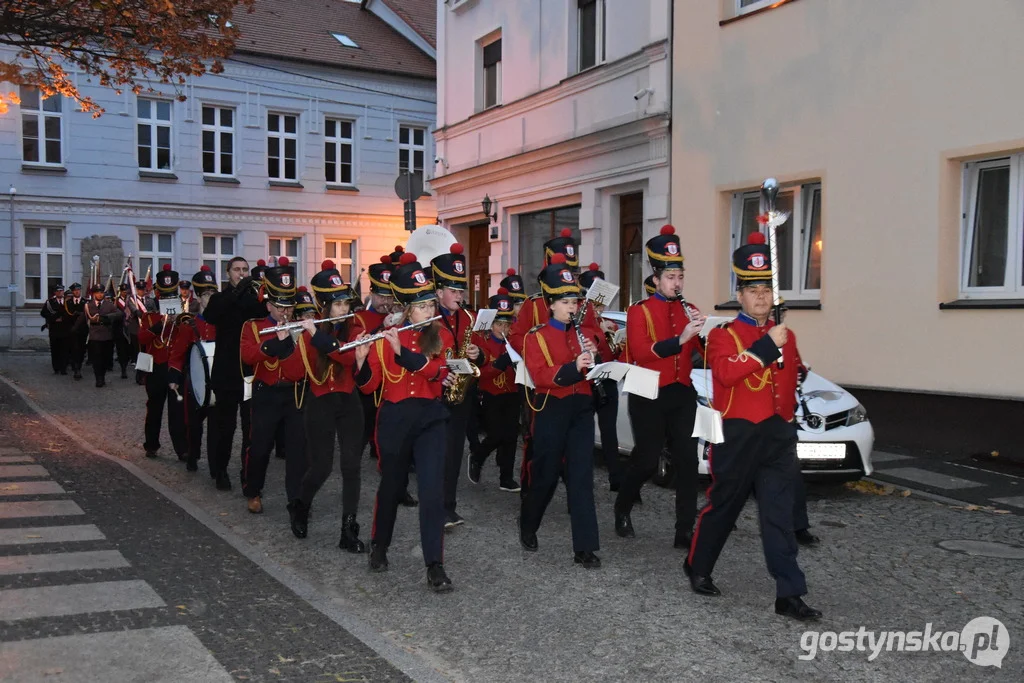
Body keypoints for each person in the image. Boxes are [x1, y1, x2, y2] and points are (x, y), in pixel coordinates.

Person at [686, 232, 821, 621]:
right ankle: (698, 566)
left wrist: (791, 417)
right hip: (739, 432)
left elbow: (790, 378)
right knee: (724, 506)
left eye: (766, 290)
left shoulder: (786, 335)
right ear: (739, 295)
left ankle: (789, 593)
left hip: (777, 434)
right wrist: (765, 347)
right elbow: (726, 375)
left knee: (778, 514)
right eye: (752, 290)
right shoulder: (722, 335)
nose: (760, 297)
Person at [356, 251, 455, 592]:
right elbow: (370, 386)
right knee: (391, 486)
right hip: (395, 419)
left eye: (432, 305)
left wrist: (403, 353)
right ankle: (379, 545)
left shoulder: (440, 336)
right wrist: (360, 361)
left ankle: (435, 565)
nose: (431, 312)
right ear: (408, 309)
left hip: (431, 418)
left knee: (431, 493)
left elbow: (437, 371)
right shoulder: (386, 338)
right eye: (424, 307)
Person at [614, 225, 706, 549]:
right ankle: (622, 506)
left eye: (680, 276)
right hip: (648, 392)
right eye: (670, 277)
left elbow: (704, 354)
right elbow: (641, 351)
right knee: (647, 460)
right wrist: (680, 339)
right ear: (655, 278)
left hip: (681, 391)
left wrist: (705, 333)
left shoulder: (687, 308)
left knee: (688, 460)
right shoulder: (638, 311)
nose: (676, 283)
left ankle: (685, 530)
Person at [519, 254, 601, 568]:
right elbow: (541, 375)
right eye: (566, 301)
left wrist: (596, 354)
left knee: (581, 477)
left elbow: (602, 359)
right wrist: (573, 366)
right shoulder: (535, 336)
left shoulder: (585, 333)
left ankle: (585, 547)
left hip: (581, 407)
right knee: (546, 475)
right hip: (553, 408)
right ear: (551, 304)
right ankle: (528, 523)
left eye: (576, 302)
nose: (573, 307)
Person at [289, 261, 365, 550]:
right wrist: (290, 340)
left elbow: (346, 358)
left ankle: (348, 529)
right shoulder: (308, 334)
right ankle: (301, 504)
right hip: (321, 401)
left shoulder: (355, 327)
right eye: (338, 304)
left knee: (351, 466)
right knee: (321, 466)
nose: (344, 309)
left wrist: (317, 336)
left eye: (346, 302)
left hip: (348, 400)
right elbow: (304, 373)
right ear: (324, 306)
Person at [238, 257, 306, 515]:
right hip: (266, 393)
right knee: (260, 446)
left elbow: (304, 364)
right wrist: (274, 344)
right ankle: (253, 491)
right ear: (268, 305)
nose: (284, 312)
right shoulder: (253, 327)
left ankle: (296, 499)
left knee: (297, 449)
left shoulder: (299, 327)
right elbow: (248, 356)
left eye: (288, 307)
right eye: (279, 307)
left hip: (293, 393)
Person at [353, 255, 418, 508]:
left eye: (390, 295)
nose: (386, 301)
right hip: (367, 387)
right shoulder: (360, 318)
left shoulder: (401, 316)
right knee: (359, 437)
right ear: (372, 292)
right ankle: (352, 479)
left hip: (392, 387)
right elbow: (356, 345)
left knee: (396, 444)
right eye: (381, 295)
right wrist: (380, 327)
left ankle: (398, 487)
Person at [203, 256, 267, 491]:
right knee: (225, 426)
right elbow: (212, 315)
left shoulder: (252, 299)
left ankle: (246, 473)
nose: (241, 273)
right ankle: (220, 469)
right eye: (236, 270)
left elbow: (263, 315)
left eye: (244, 270)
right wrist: (237, 291)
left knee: (250, 427)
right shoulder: (220, 298)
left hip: (249, 370)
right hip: (226, 371)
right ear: (228, 272)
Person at [431, 243, 481, 529]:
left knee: (453, 452)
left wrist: (477, 354)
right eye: (454, 291)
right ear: (439, 292)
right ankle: (436, 507)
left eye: (461, 291)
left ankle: (448, 507)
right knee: (437, 453)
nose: (460, 296)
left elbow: (479, 354)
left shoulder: (467, 317)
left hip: (460, 393)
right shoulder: (430, 317)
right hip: (435, 392)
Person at [467, 288, 520, 492]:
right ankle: (477, 457)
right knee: (497, 433)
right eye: (499, 324)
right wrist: (500, 363)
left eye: (507, 324)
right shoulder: (483, 342)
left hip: (513, 391)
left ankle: (506, 478)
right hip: (491, 393)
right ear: (491, 324)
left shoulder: (514, 341)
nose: (503, 329)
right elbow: (481, 373)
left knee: (511, 436)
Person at [578, 262, 624, 492]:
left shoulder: (607, 323)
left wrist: (616, 341)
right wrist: (599, 333)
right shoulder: (581, 322)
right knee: (584, 433)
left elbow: (613, 354)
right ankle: (581, 477)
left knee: (609, 431)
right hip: (587, 381)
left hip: (607, 380)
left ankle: (616, 477)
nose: (599, 306)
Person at [168, 266, 218, 472]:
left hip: (217, 382)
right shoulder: (189, 326)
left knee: (217, 428)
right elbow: (177, 354)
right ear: (198, 297)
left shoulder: (223, 325)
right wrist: (173, 376)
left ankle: (217, 466)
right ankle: (192, 455)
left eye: (213, 293)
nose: (210, 298)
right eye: (206, 294)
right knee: (194, 425)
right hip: (195, 383)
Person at [137, 265, 190, 459]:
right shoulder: (150, 317)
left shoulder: (182, 316)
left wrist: (179, 322)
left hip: (175, 368)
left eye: (171, 294)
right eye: (165, 294)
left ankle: (182, 449)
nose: (168, 298)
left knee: (177, 410)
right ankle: (151, 444)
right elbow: (142, 339)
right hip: (156, 368)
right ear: (158, 294)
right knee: (154, 408)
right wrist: (162, 323)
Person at [80, 284, 119, 387]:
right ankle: (99, 378)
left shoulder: (109, 304)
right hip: (95, 336)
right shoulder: (88, 305)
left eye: (101, 292)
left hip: (107, 335)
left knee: (106, 359)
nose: (100, 294)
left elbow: (119, 314)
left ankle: (103, 375)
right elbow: (82, 319)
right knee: (96, 359)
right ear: (94, 294)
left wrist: (106, 317)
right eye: (97, 292)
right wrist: (74, 330)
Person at [40, 284, 70, 375]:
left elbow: (71, 314)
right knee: (55, 350)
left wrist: (63, 319)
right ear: (55, 292)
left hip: (65, 329)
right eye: (57, 291)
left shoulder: (67, 301)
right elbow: (43, 313)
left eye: (61, 291)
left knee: (65, 350)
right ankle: (56, 368)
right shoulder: (50, 302)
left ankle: (63, 368)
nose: (59, 292)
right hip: (54, 329)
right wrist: (53, 319)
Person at [65, 283, 87, 380]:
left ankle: (79, 366)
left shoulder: (85, 302)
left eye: (78, 290)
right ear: (72, 291)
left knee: (82, 350)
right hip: (72, 329)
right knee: (74, 349)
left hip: (83, 330)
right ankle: (76, 368)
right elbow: (67, 316)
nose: (77, 292)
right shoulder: (68, 302)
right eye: (75, 290)